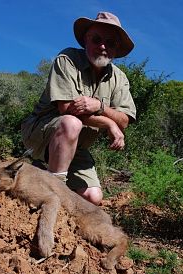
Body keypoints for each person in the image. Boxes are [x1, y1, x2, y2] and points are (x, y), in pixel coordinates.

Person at [21, 12, 136, 205]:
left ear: (117, 48)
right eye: (96, 39)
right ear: (85, 40)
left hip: (77, 146)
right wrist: (108, 122)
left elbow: (124, 120)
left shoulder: (119, 78)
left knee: (93, 198)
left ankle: (40, 173)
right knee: (71, 123)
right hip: (41, 132)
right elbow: (66, 109)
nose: (102, 46)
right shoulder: (68, 59)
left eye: (110, 42)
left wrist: (99, 106)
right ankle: (52, 196)